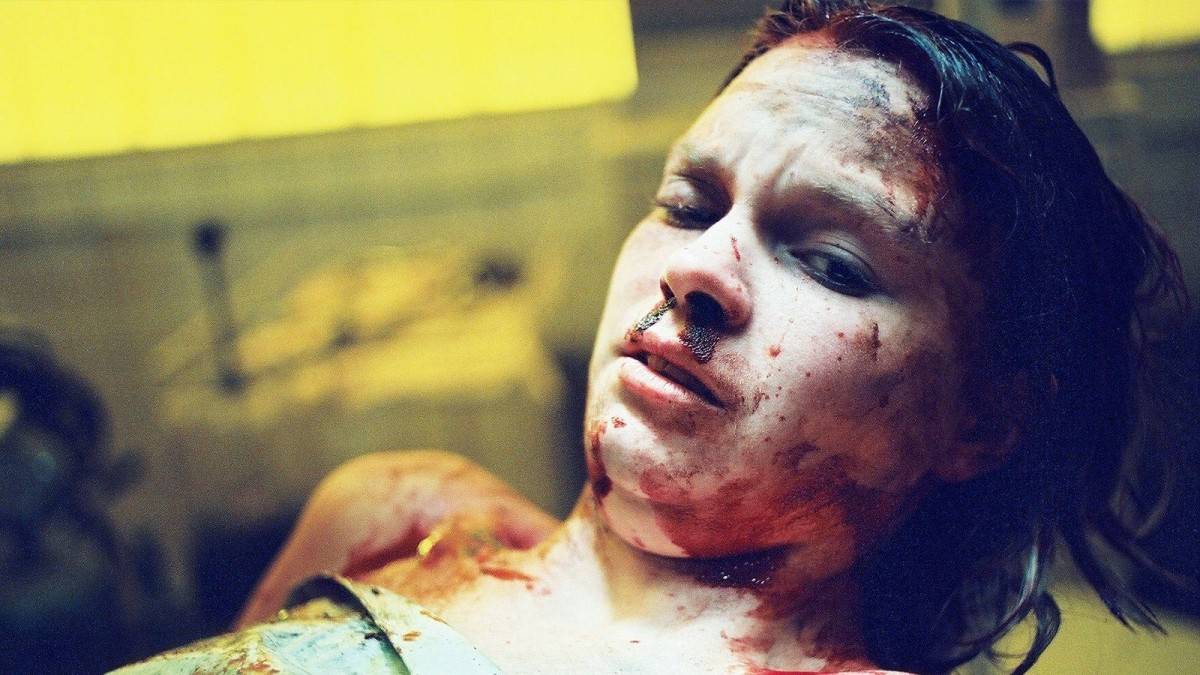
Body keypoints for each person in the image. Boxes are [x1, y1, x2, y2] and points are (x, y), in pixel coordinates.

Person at [117, 1, 1188, 673]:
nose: (697, 268)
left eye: (829, 260)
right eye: (687, 203)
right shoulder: (394, 515)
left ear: (983, 418)